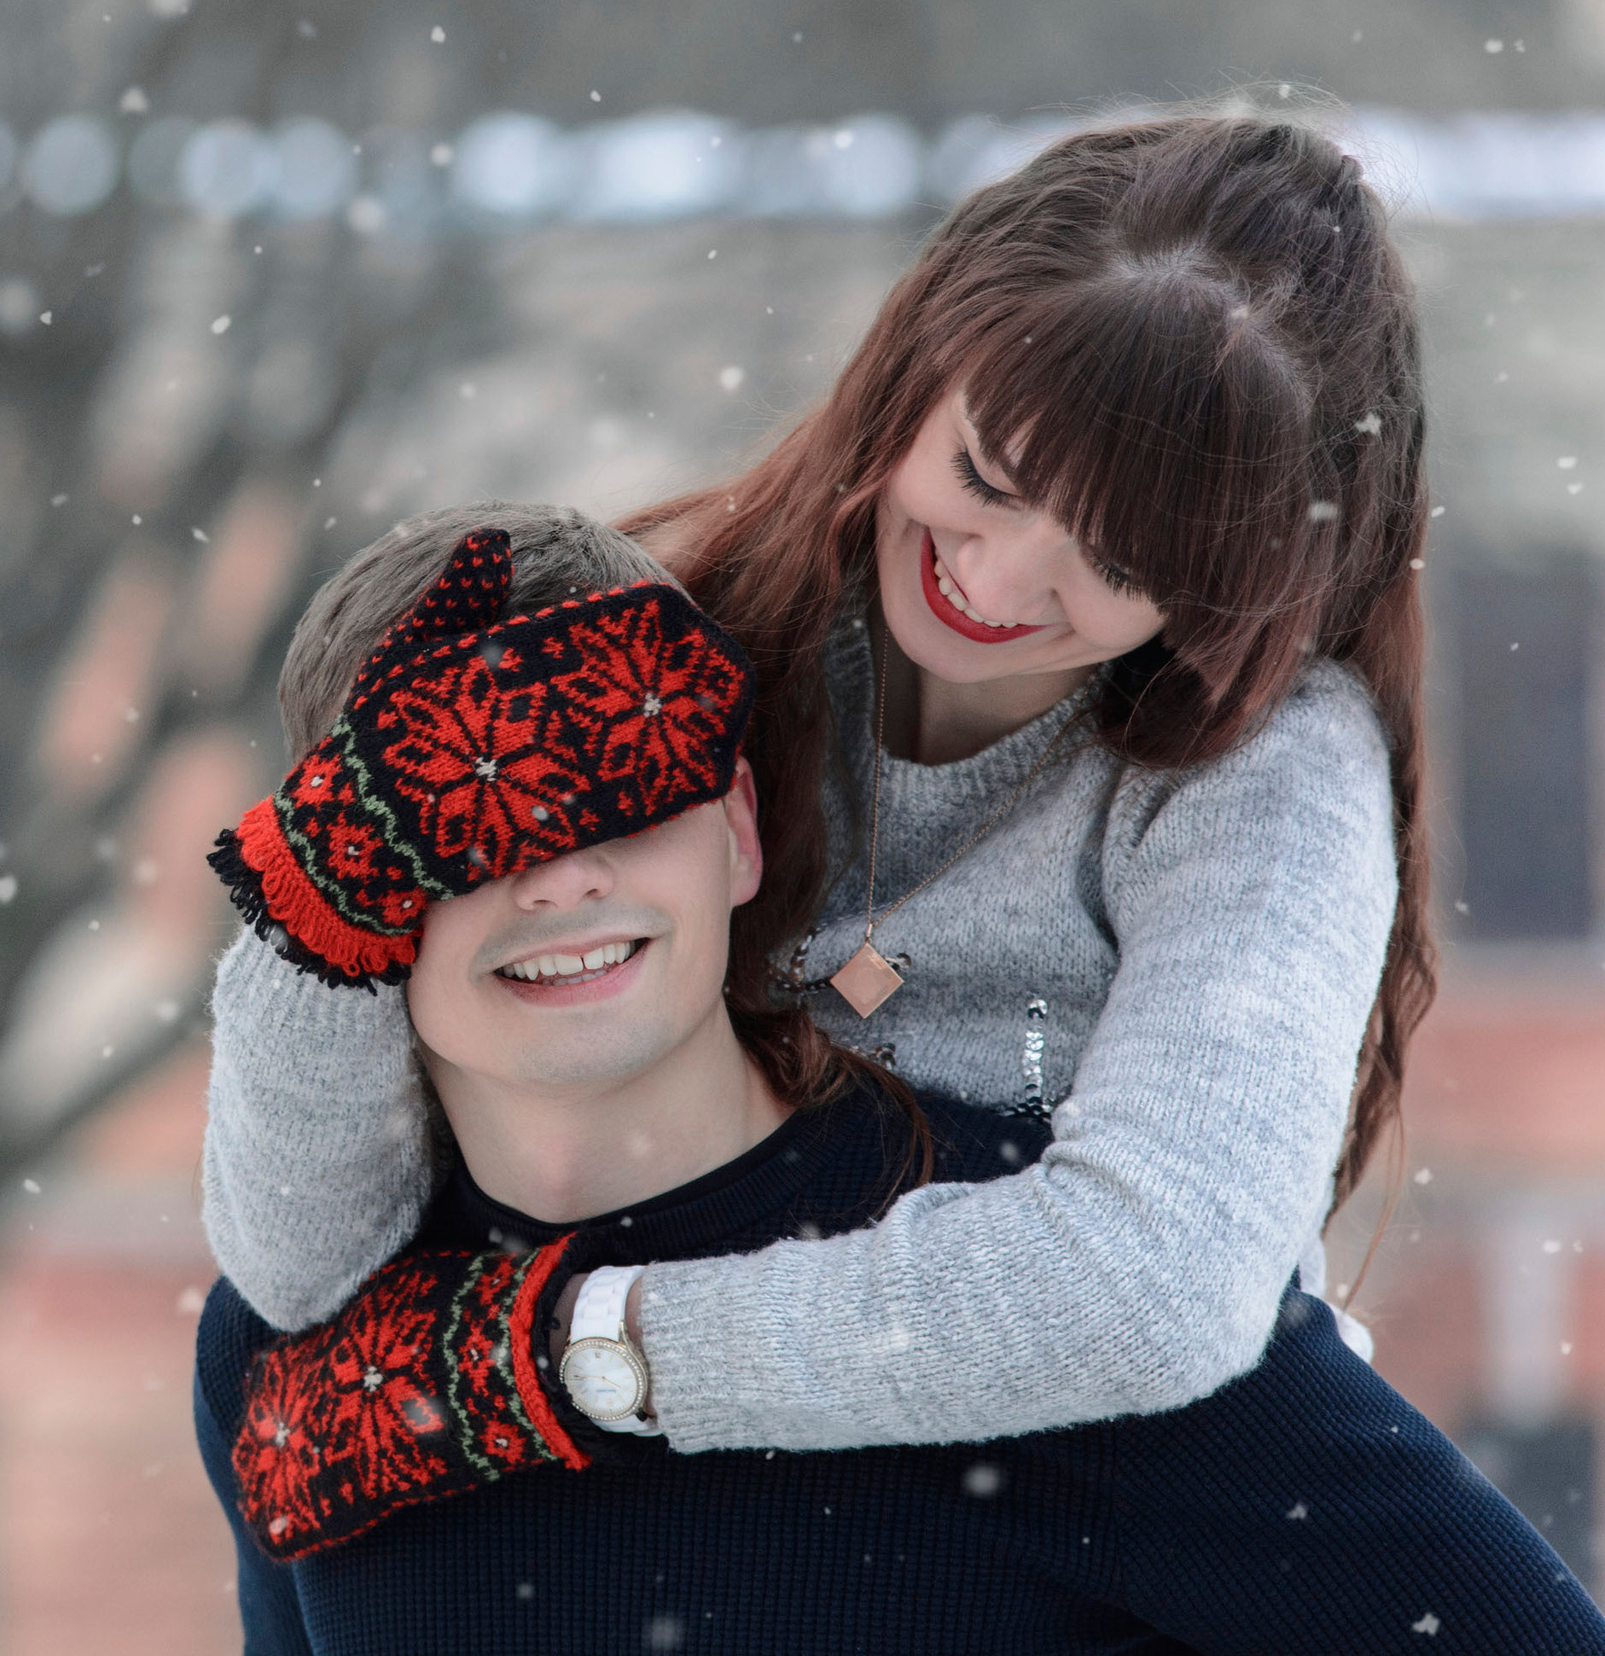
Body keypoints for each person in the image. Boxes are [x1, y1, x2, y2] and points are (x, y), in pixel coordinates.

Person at [200, 109, 1443, 1465]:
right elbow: (304, 1263)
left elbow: (1156, 1286)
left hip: (1129, 1503)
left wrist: (585, 1358)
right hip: (717, 1527)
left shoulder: (1262, 774)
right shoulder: (670, 651)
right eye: (987, 475)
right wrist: (318, 901)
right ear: (915, 364)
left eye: (1127, 565)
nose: (1003, 582)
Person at [192, 508, 1605, 1655]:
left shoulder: (1058, 1290)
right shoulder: (293, 1348)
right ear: (341, 898)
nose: (564, 874)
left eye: (622, 791)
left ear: (739, 831)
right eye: (464, 818)